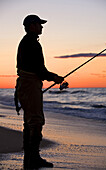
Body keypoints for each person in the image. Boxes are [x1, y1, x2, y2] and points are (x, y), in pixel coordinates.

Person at [16, 14, 64, 169]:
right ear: (31, 26)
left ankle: (29, 157)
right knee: (36, 121)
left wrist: (50, 77)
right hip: (30, 85)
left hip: (25, 85)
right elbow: (39, 70)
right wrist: (55, 77)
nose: (42, 27)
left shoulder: (26, 42)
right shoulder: (32, 44)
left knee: (29, 121)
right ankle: (33, 158)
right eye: (39, 24)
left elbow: (37, 70)